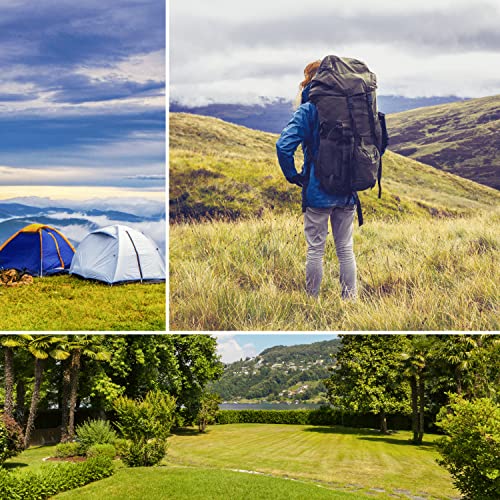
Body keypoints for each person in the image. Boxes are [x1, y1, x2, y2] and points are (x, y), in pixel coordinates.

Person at [276, 60, 357, 300]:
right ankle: (350, 301)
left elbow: (283, 146)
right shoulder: (353, 106)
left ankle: (312, 301)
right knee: (345, 249)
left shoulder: (309, 109)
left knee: (315, 250)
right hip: (348, 190)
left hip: (317, 191)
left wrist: (294, 176)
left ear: (309, 81)